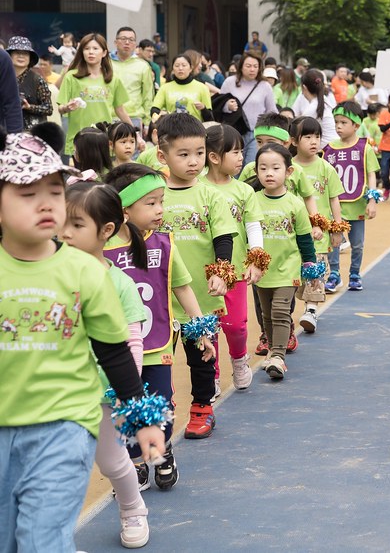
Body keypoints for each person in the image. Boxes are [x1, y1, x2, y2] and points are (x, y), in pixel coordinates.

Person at [0, 128, 165, 553]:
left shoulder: (86, 271)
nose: (45, 204)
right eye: (25, 193)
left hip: (64, 425)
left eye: (54, 192)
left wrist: (141, 416)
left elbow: (113, 348)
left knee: (41, 539)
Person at [104, 162, 211, 492]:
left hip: (159, 341)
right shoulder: (101, 249)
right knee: (127, 405)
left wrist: (200, 328)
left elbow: (182, 287)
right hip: (118, 347)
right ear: (124, 209)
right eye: (150, 203)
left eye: (161, 201)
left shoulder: (164, 244)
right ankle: (136, 460)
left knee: (161, 401)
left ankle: (162, 452)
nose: (160, 209)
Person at [62, 181, 152, 548]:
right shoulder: (49, 272)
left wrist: (124, 394)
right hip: (58, 390)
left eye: (76, 225)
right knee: (59, 468)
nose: (64, 232)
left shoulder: (118, 283)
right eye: (60, 222)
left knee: (113, 463)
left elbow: (131, 341)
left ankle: (133, 509)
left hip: (102, 392)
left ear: (106, 231)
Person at [153, 112, 235, 439]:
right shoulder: (154, 191)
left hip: (199, 295)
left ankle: (203, 408)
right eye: (183, 154)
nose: (194, 161)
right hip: (158, 300)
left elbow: (224, 237)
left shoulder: (211, 195)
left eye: (199, 153)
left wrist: (220, 272)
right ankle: (161, 410)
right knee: (157, 363)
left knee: (201, 357)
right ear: (162, 156)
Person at [201, 124, 265, 397]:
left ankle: (239, 359)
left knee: (236, 324)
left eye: (242, 152)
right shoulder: (198, 188)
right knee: (209, 325)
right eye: (236, 152)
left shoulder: (244, 191)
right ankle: (211, 375)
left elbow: (253, 227)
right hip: (202, 272)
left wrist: (256, 259)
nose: (242, 157)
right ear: (214, 157)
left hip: (235, 270)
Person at [251, 142, 318, 379]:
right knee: (266, 314)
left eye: (275, 168)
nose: (269, 173)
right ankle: (273, 349)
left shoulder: (295, 203)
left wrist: (310, 266)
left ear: (288, 172)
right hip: (261, 271)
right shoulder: (252, 200)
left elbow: (304, 238)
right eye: (263, 168)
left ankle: (278, 356)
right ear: (256, 171)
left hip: (288, 268)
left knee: (280, 311)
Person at [289, 116, 343, 329]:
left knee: (317, 268)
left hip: (319, 234)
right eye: (308, 136)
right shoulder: (288, 168)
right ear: (294, 141)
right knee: (295, 270)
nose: (314, 141)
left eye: (317, 136)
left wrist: (337, 228)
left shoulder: (325, 168)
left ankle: (311, 309)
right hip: (292, 234)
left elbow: (334, 198)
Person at [322, 101, 380, 293]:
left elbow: (371, 173)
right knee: (334, 241)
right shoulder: (329, 148)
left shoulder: (365, 148)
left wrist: (372, 200)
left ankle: (355, 273)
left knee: (357, 244)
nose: (338, 126)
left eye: (343, 122)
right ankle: (334, 274)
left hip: (356, 203)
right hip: (335, 204)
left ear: (356, 125)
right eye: (336, 122)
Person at [55, 33, 138, 158]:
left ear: (104, 53)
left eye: (95, 49)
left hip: (104, 139)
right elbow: (60, 108)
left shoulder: (113, 79)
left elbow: (120, 110)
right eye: (87, 49)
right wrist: (67, 107)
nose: (90, 52)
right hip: (79, 139)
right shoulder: (71, 77)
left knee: (104, 177)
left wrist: (134, 135)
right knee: (82, 177)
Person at [213, 51, 277, 165]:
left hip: (256, 133)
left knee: (250, 165)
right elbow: (218, 104)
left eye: (255, 66)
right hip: (233, 131)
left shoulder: (265, 85)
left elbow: (271, 110)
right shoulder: (229, 82)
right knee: (233, 166)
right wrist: (228, 106)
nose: (252, 69)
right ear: (241, 67)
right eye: (248, 66)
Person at [111, 26, 156, 132]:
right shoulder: (105, 64)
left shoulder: (143, 66)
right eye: (123, 39)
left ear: (135, 44)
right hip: (109, 118)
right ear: (115, 42)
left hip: (134, 118)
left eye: (131, 40)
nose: (127, 42)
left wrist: (147, 123)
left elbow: (148, 96)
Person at [152, 54, 213, 122]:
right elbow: (154, 110)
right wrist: (162, 115)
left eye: (184, 65)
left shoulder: (202, 88)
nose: (180, 68)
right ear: (173, 69)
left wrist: (203, 108)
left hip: (195, 130)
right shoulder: (164, 88)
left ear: (190, 68)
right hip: (171, 129)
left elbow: (210, 117)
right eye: (177, 66)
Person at [7, 36, 51, 129]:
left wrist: (29, 107)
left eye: (25, 53)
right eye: (17, 52)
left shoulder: (37, 80)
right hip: (7, 131)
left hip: (31, 134)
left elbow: (48, 108)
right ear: (9, 55)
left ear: (30, 58)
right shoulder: (3, 77)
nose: (21, 56)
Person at [292, 68, 338, 148]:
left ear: (304, 87)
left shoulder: (312, 109)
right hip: (334, 145)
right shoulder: (324, 100)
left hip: (326, 149)